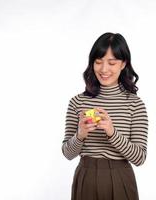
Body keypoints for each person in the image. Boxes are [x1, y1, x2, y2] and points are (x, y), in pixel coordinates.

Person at [62, 32, 148, 200]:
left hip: (121, 178)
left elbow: (139, 158)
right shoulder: (77, 102)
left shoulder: (135, 104)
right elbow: (67, 153)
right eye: (98, 62)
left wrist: (112, 132)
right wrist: (80, 135)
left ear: (123, 64)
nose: (103, 69)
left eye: (112, 63)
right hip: (86, 178)